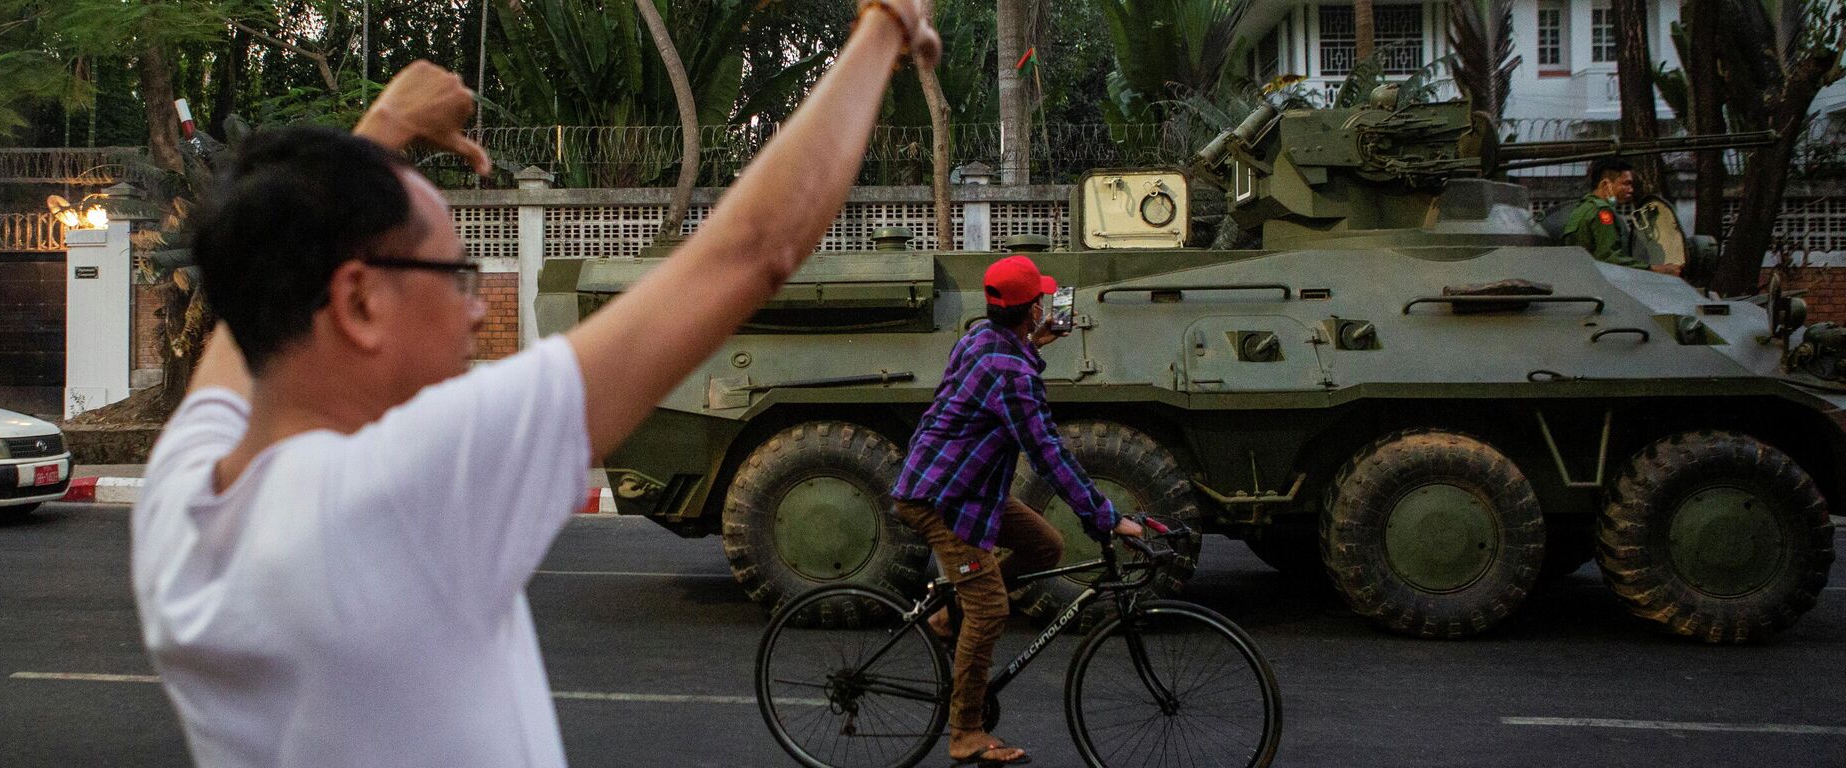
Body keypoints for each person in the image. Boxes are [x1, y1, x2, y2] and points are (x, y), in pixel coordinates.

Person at [129, 4, 939, 766]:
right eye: (457, 275)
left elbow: (260, 296)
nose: (479, 311)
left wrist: (381, 132)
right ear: (358, 300)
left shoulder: (182, 503)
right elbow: (753, 249)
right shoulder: (398, 493)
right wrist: (885, 27)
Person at [891, 254, 1144, 767]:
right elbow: (1048, 452)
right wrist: (1105, 515)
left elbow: (1003, 363)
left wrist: (1035, 341)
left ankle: (947, 617)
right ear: (1029, 310)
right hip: (939, 499)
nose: (1045, 305)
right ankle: (964, 731)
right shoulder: (1012, 375)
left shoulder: (981, 338)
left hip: (970, 487)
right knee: (990, 610)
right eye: (1039, 303)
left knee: (1045, 545)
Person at [1563, 157, 1644, 269]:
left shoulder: (1582, 208)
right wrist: (1654, 269)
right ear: (1606, 185)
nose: (1631, 190)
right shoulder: (1602, 211)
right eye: (1626, 184)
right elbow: (1611, 260)